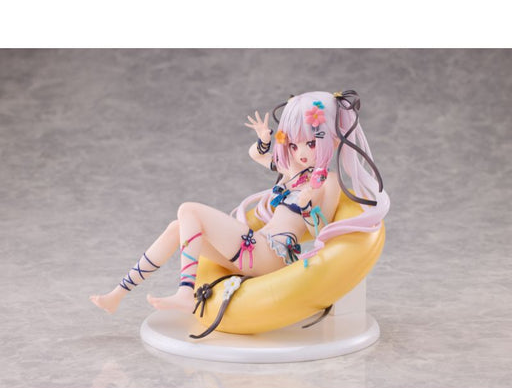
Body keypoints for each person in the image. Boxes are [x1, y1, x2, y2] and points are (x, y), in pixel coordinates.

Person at [90, 90, 390, 315]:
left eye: (311, 144)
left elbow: (321, 230)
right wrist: (264, 138)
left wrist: (309, 202)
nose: (301, 152)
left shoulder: (328, 182)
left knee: (189, 209)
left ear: (330, 141)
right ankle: (117, 294)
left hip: (270, 255)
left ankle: (185, 293)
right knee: (176, 227)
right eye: (294, 144)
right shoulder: (293, 172)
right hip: (255, 245)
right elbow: (257, 155)